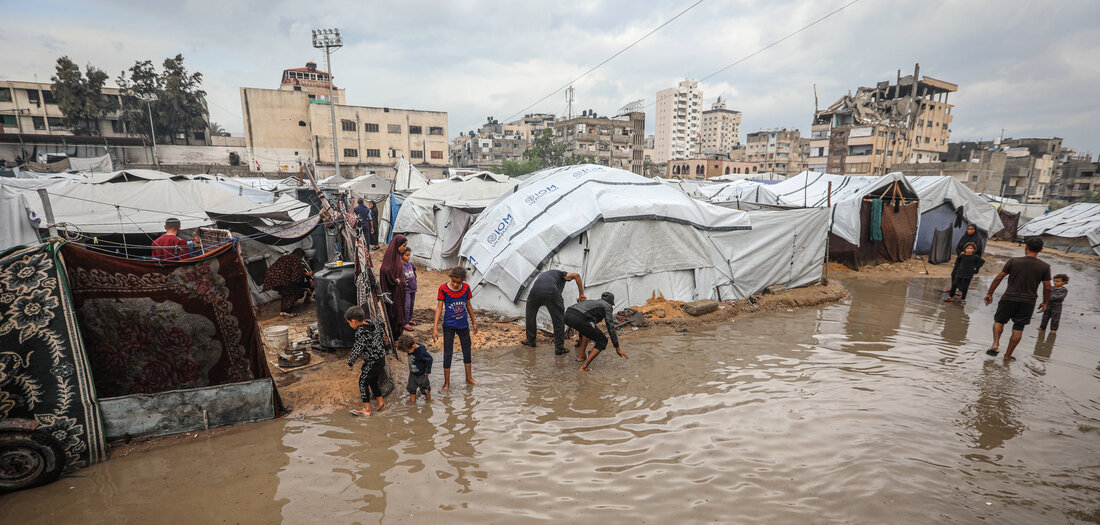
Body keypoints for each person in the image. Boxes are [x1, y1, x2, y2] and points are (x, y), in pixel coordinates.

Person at [984, 237, 1052, 362]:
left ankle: (995, 344)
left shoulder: (1013, 261)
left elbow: (999, 277)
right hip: (1028, 301)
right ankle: (1007, 356)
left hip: (1009, 297)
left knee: (999, 321)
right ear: (1041, 249)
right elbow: (1047, 287)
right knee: (1018, 328)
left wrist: (990, 293)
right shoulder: (1044, 266)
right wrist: (1045, 302)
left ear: (1026, 247)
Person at [432, 266, 478, 390]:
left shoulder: (467, 288)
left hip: (463, 325)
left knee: (467, 351)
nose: (456, 284)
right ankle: (447, 383)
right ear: (451, 278)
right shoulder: (443, 289)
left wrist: (474, 322)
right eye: (454, 281)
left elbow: (468, 305)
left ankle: (469, 378)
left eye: (459, 282)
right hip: (449, 326)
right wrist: (435, 328)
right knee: (448, 353)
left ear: (463, 280)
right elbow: (439, 308)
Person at [521, 269, 586, 355]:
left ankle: (530, 341)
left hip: (534, 292)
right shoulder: (562, 274)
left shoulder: (544, 275)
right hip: (551, 292)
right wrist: (581, 294)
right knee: (559, 320)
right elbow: (576, 275)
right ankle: (559, 348)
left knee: (530, 316)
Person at [567, 292, 627, 372]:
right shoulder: (607, 306)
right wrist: (617, 348)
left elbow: (580, 319)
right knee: (603, 341)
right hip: (579, 318)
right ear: (611, 303)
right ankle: (584, 367)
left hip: (567, 315)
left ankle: (581, 355)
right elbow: (610, 327)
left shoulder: (592, 303)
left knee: (588, 330)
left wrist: (577, 338)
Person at [346, 306, 387, 416]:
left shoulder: (361, 332)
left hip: (372, 361)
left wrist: (350, 362)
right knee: (373, 381)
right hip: (381, 358)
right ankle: (381, 402)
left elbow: (357, 348)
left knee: (363, 382)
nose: (350, 325)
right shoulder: (373, 324)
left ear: (354, 321)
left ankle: (367, 410)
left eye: (349, 323)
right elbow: (381, 336)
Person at [262, 248, 314, 318]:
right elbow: (296, 275)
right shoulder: (296, 259)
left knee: (285, 293)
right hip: (284, 279)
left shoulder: (285, 257)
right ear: (301, 255)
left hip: (272, 278)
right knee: (292, 293)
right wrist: (301, 286)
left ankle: (283, 312)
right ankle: (287, 312)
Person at [379, 234, 409, 341]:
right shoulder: (390, 256)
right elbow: (384, 270)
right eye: (403, 246)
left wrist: (402, 282)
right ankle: (395, 338)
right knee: (394, 314)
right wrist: (394, 281)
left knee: (400, 312)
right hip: (393, 293)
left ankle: (399, 336)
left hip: (399, 292)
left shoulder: (397, 256)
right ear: (397, 245)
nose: (404, 248)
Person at [397, 334, 432, 403]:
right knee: (411, 389)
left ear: (413, 346)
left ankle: (428, 403)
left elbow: (430, 359)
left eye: (407, 351)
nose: (407, 353)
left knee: (426, 390)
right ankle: (412, 403)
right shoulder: (410, 347)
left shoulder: (421, 352)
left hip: (422, 375)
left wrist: (428, 371)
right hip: (412, 374)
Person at [402, 248, 418, 329]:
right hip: (406, 289)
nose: (408, 257)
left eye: (409, 255)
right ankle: (405, 322)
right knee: (407, 306)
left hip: (413, 288)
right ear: (401, 256)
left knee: (411, 305)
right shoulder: (401, 266)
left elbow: (414, 273)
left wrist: (415, 282)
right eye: (406, 255)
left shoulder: (410, 264)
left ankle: (409, 319)